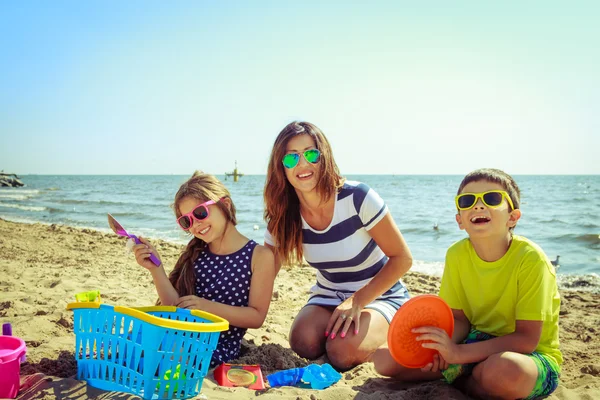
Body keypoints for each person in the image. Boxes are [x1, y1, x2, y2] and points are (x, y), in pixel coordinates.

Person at [375, 168, 562, 400]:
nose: (478, 205)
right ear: (460, 220)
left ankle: (465, 380)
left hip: (530, 356)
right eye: (467, 200)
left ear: (512, 217)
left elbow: (526, 339)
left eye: (491, 199)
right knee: (383, 358)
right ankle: (468, 378)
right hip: (474, 342)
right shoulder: (457, 254)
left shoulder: (531, 259)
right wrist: (442, 347)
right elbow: (459, 319)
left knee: (505, 370)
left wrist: (459, 354)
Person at [263, 121, 413, 371]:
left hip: (379, 295)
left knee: (342, 351)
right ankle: (356, 338)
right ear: (281, 167)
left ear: (324, 156)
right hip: (329, 295)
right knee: (303, 341)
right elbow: (264, 270)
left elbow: (403, 259)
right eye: (291, 158)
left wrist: (357, 302)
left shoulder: (357, 197)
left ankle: (385, 331)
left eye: (310, 154)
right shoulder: (284, 215)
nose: (302, 164)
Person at [133, 171, 275, 367]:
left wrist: (207, 307)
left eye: (200, 213)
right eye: (186, 221)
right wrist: (156, 269)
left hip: (215, 347)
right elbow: (176, 307)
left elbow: (256, 316)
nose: (195, 225)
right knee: (138, 334)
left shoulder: (259, 256)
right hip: (180, 336)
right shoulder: (196, 253)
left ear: (224, 204)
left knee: (160, 353)